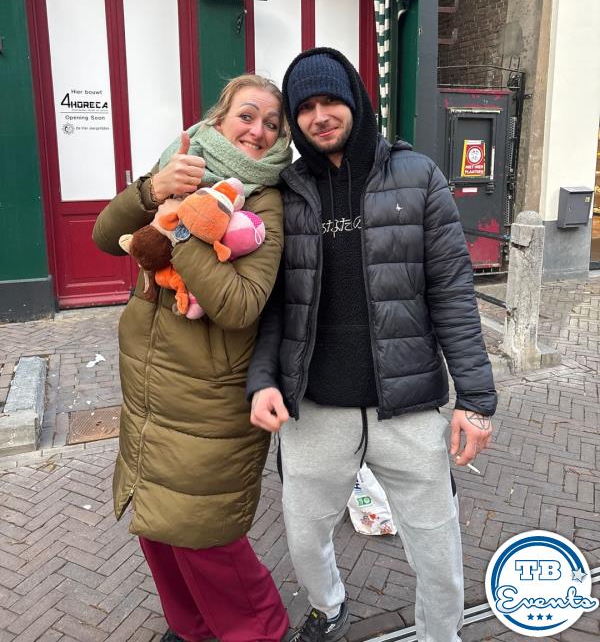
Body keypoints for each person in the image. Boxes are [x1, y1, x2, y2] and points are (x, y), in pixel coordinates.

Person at [247, 49, 497, 642]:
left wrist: (476, 400)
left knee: (436, 545)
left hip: (407, 406)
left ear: (356, 101)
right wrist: (263, 381)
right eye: (305, 107)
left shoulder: (418, 176)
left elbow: (453, 293)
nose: (319, 116)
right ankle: (329, 606)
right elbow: (274, 304)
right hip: (316, 408)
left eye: (330, 100)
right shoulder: (284, 192)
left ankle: (440, 634)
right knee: (305, 535)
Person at [93, 74, 293, 642]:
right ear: (218, 119)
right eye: (246, 116)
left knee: (206, 537)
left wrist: (179, 225)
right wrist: (153, 191)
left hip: (209, 400)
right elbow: (106, 238)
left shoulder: (266, 200)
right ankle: (191, 630)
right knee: (156, 528)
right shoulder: (179, 165)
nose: (258, 131)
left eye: (272, 124)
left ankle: (262, 633)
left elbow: (240, 304)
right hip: (149, 388)